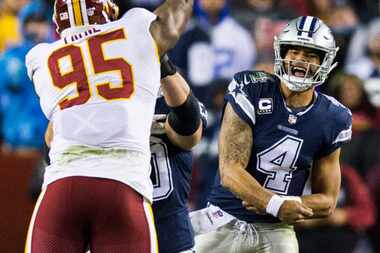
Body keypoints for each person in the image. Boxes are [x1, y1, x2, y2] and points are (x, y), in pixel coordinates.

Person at [24, 0, 193, 252]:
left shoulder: (39, 57)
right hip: (123, 186)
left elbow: (53, 133)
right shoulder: (137, 26)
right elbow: (174, 18)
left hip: (63, 186)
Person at [190, 16, 352, 253]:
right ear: (282, 54)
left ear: (325, 62)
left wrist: (291, 204)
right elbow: (230, 171)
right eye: (294, 52)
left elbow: (327, 201)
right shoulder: (251, 88)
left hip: (276, 230)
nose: (299, 61)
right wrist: (273, 203)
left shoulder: (333, 116)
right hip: (224, 218)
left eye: (309, 55)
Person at [150, 55, 207, 253]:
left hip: (169, 230)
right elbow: (53, 140)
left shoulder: (170, 92)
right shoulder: (97, 99)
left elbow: (190, 135)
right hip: (113, 227)